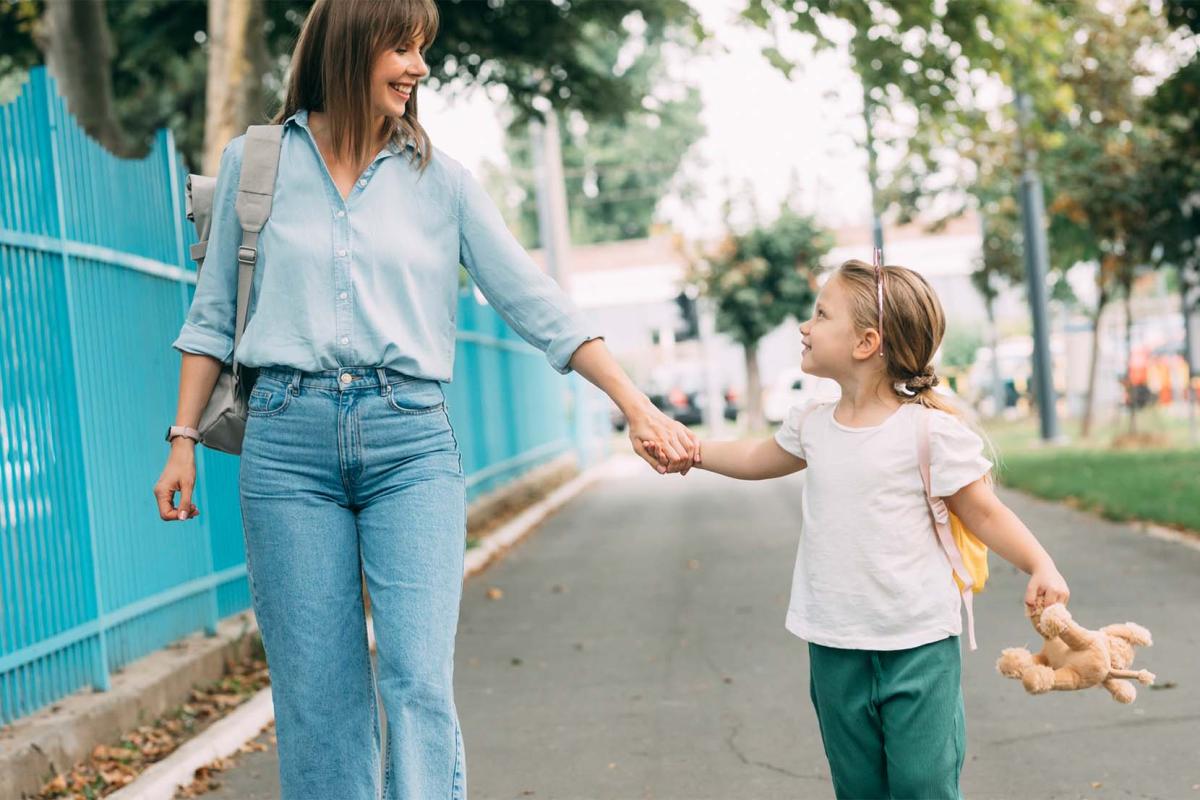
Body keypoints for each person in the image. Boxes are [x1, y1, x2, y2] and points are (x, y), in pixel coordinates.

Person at [152, 2, 697, 798]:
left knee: (416, 682)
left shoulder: (439, 181)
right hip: (285, 443)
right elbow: (209, 317)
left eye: (423, 50)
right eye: (402, 48)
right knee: (316, 692)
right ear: (350, 46)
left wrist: (637, 406)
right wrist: (182, 439)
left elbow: (534, 302)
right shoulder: (256, 162)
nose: (420, 67)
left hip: (408, 443)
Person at [683, 258, 1070, 800]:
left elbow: (983, 512)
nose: (804, 326)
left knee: (923, 784)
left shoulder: (928, 432)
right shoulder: (812, 423)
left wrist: (1040, 563)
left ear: (866, 343)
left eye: (820, 315)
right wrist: (692, 451)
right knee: (859, 786)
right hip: (835, 642)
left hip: (918, 644)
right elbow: (753, 456)